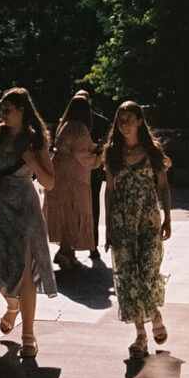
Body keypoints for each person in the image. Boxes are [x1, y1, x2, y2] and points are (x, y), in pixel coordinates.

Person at [0, 87, 56, 358]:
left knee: (24, 270)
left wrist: (34, 162)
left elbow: (49, 182)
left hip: (24, 206)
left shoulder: (35, 140)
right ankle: (13, 307)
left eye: (7, 110)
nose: (2, 114)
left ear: (22, 111)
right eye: (1, 110)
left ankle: (28, 335)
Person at [104, 100, 171, 358]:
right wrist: (107, 225)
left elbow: (163, 186)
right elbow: (109, 191)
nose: (125, 124)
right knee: (128, 276)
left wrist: (167, 218)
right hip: (122, 221)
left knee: (148, 269)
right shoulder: (112, 153)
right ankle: (141, 335)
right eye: (121, 119)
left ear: (140, 121)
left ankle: (155, 313)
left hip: (148, 219)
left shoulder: (153, 151)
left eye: (130, 119)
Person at [43, 95, 102, 269]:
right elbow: (83, 154)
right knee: (74, 214)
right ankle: (64, 252)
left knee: (65, 214)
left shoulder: (64, 124)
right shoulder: (79, 127)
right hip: (73, 177)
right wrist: (100, 158)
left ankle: (68, 252)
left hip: (60, 174)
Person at [74, 89, 110, 259]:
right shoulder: (71, 122)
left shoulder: (101, 122)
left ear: (89, 101)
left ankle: (93, 245)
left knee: (93, 208)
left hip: (92, 171)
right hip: (75, 172)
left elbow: (106, 145)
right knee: (74, 209)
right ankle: (73, 244)